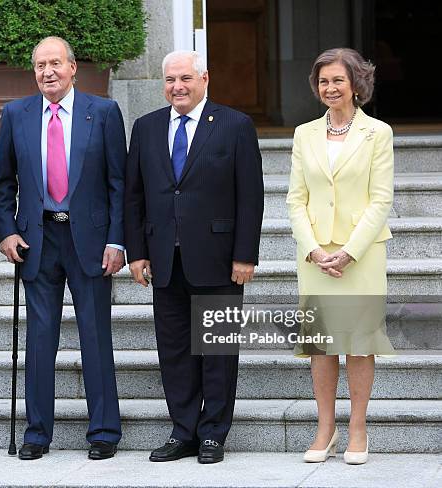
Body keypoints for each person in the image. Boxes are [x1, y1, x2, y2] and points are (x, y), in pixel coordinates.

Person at [124, 50, 264, 464]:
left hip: (220, 258)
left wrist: (245, 255)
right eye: (170, 80)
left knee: (217, 350)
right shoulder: (146, 127)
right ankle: (183, 430)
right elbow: (135, 197)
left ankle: (213, 434)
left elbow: (250, 197)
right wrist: (137, 252)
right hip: (164, 259)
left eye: (185, 78)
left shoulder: (235, 125)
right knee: (174, 351)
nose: (177, 87)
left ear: (204, 78)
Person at [0, 36, 125, 461]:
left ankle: (104, 431)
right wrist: (8, 231)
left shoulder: (102, 112)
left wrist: (117, 240)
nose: (47, 72)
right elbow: (3, 185)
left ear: (72, 69)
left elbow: (119, 185)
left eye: (55, 64)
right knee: (40, 338)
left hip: (89, 240)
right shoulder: (16, 114)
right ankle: (36, 433)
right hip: (37, 240)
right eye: (39, 65)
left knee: (95, 336)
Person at [286, 48, 395, 465]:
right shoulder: (303, 134)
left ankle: (358, 429)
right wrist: (312, 248)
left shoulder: (377, 133)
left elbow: (381, 199)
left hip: (361, 255)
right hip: (315, 256)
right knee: (320, 345)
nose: (330, 88)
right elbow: (296, 199)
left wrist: (349, 252)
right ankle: (325, 428)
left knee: (359, 344)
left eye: (338, 80)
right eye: (323, 81)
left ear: (356, 84)